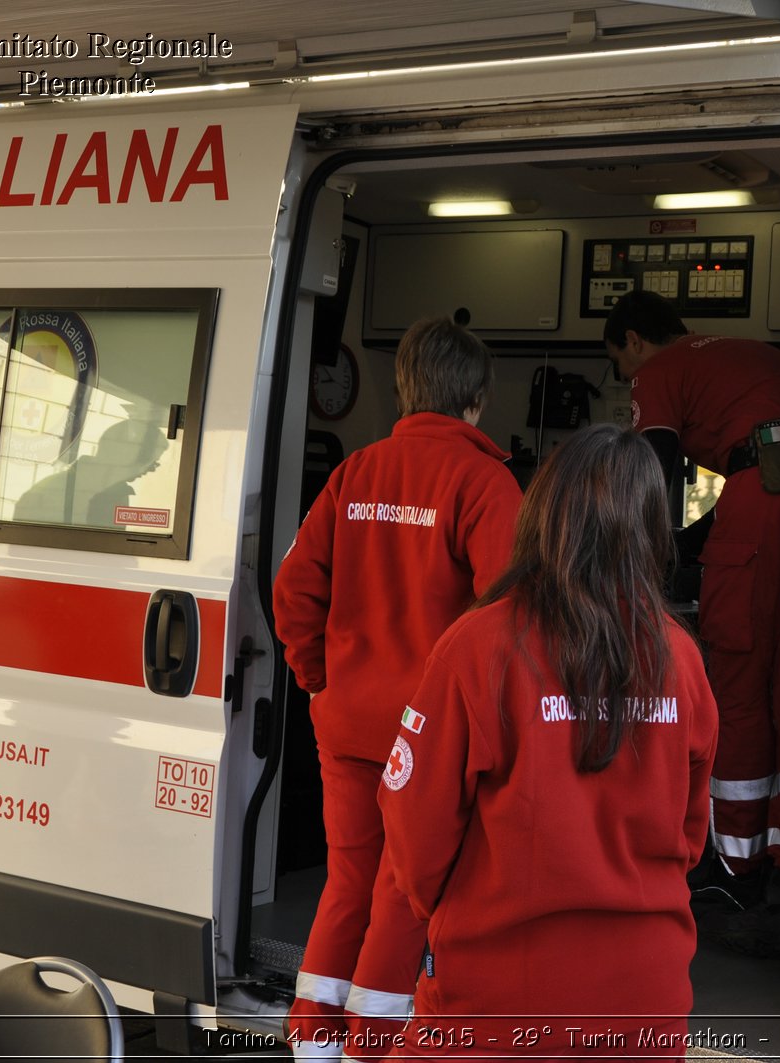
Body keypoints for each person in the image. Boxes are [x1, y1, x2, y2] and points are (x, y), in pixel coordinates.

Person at [378, 424, 718, 1059]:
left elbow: (415, 839)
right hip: (647, 1007)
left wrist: (458, 916)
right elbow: (690, 835)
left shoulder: (479, 647)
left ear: (543, 513)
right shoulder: (681, 659)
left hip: (500, 1003)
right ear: (650, 529)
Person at [273, 317, 523, 1059]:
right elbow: (505, 619)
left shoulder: (356, 472)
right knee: (404, 890)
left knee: (348, 876)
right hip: (427, 734)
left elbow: (294, 589)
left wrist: (320, 678)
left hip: (345, 719)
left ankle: (313, 1036)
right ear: (475, 399)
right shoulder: (485, 481)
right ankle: (372, 1046)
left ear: (403, 388)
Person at [603, 289, 780, 958]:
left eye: (621, 364)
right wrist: (697, 545)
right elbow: (752, 472)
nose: (628, 380)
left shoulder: (661, 369)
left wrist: (644, 560)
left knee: (736, 680)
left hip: (767, 498)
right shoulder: (746, 357)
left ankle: (733, 869)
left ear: (635, 342)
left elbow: (655, 465)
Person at [13, 418, 168, 526]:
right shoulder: (51, 492)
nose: (151, 469)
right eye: (152, 462)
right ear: (126, 457)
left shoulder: (115, 493)